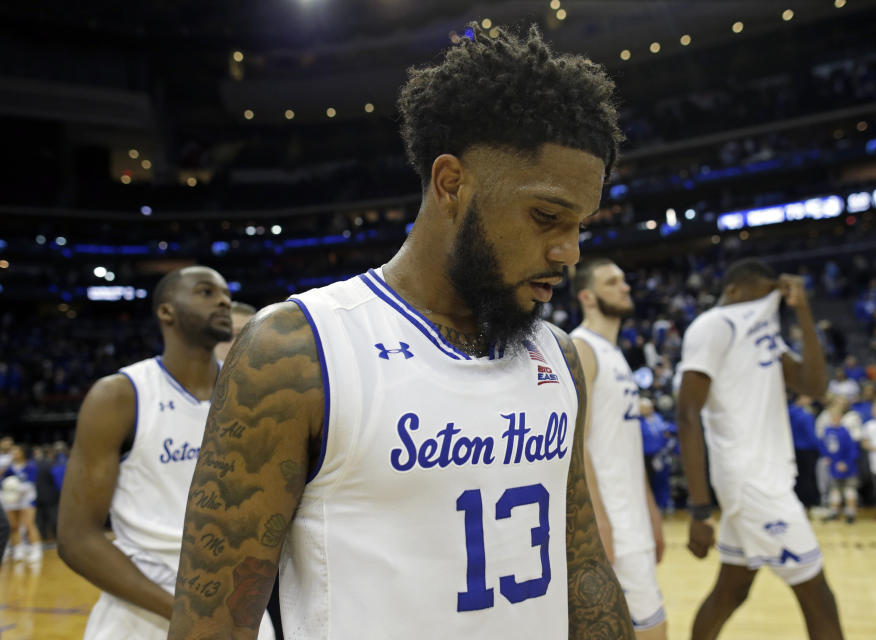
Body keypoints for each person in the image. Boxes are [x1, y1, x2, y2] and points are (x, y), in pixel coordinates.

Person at [169, 25, 633, 639]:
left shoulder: (558, 356)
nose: (570, 251)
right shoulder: (297, 352)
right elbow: (212, 628)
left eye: (581, 225)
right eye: (547, 217)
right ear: (451, 184)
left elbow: (582, 566)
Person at [57, 266, 274, 640]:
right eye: (206, 292)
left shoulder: (255, 394)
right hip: (143, 611)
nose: (223, 300)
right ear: (166, 312)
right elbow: (76, 539)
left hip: (237, 609)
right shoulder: (120, 396)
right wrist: (185, 615)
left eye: (225, 291)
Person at [676, 259, 844, 640]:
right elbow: (687, 415)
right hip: (752, 484)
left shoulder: (764, 333)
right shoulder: (713, 326)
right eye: (764, 296)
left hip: (767, 478)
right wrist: (700, 509)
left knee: (730, 593)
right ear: (734, 291)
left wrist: (802, 311)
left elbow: (814, 386)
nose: (771, 304)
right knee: (817, 594)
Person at [571, 258, 667, 639]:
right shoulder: (582, 348)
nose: (625, 288)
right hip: (612, 524)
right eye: (612, 282)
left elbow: (625, 448)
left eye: (624, 281)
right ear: (587, 297)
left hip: (633, 519)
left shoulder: (616, 355)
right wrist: (598, 523)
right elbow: (577, 446)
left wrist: (652, 510)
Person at [1, 444, 42, 563]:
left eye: (16, 451)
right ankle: (18, 549)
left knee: (29, 524)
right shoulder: (9, 468)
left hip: (26, 499)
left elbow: (30, 483)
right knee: (13, 526)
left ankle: (36, 549)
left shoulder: (30, 466)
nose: (14, 454)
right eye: (12, 452)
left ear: (23, 452)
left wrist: (17, 488)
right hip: (11, 500)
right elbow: (3, 482)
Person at [819, 407, 860, 524]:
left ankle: (851, 513)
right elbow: (823, 447)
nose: (835, 419)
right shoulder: (827, 431)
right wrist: (827, 457)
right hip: (833, 467)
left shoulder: (845, 432)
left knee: (849, 490)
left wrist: (846, 463)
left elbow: (852, 450)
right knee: (834, 490)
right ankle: (834, 512)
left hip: (847, 467)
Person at [788, 395, 820, 509]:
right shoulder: (805, 415)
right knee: (807, 478)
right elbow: (811, 436)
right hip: (807, 451)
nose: (810, 400)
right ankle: (808, 503)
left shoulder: (787, 411)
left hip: (791, 450)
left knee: (795, 477)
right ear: (801, 398)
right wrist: (822, 450)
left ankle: (795, 502)